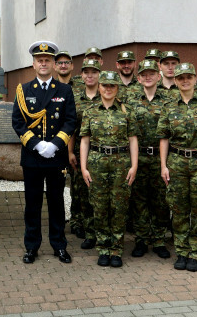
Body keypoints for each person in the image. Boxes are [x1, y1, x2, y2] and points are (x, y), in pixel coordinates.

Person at [12, 40, 76, 264]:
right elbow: (18, 122)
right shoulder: (24, 90)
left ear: (54, 64)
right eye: (40, 60)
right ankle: (31, 247)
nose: (44, 63)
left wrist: (56, 145)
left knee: (57, 203)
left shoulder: (65, 90)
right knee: (32, 203)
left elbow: (70, 121)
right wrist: (38, 145)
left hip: (56, 157)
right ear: (33, 64)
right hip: (32, 157)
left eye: (48, 60)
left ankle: (59, 245)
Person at [158, 63, 197, 272]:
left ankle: (196, 252)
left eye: (188, 77)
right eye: (180, 77)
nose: (185, 80)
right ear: (175, 81)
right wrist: (163, 166)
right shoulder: (168, 106)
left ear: (195, 78)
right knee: (179, 209)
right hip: (176, 162)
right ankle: (182, 251)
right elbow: (164, 138)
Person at [79, 70, 138, 267]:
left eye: (112, 86)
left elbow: (133, 140)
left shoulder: (126, 111)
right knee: (100, 206)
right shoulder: (90, 111)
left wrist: (134, 165)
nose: (108, 89)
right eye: (105, 85)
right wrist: (83, 167)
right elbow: (84, 141)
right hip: (97, 163)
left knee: (119, 207)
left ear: (117, 88)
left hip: (121, 163)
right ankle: (103, 248)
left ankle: (116, 249)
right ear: (99, 87)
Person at [124, 60, 171, 259]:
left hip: (161, 157)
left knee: (161, 200)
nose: (148, 76)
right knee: (139, 200)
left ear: (158, 76)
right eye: (144, 74)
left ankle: (159, 240)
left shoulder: (168, 100)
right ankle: (141, 239)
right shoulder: (130, 101)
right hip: (139, 156)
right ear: (139, 78)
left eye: (152, 73)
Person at [68, 59, 101, 245]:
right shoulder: (75, 98)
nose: (90, 76)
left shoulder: (106, 95)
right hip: (81, 150)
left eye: (94, 72)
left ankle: (101, 229)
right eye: (86, 72)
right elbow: (71, 128)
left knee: (100, 193)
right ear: (81, 75)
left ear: (99, 75)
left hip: (101, 152)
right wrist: (70, 152)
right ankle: (89, 232)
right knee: (82, 193)